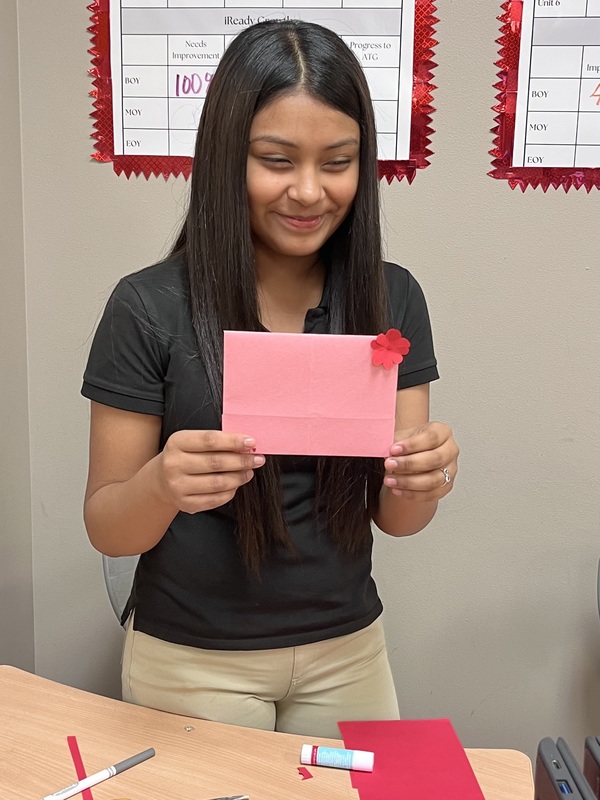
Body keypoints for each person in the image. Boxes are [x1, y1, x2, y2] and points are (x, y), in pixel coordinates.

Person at [82, 19, 459, 739]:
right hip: (192, 659)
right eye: (276, 160)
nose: (310, 191)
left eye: (338, 161)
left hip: (349, 649)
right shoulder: (148, 307)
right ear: (228, 158)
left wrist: (422, 479)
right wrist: (163, 482)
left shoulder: (392, 299)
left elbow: (401, 521)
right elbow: (108, 525)